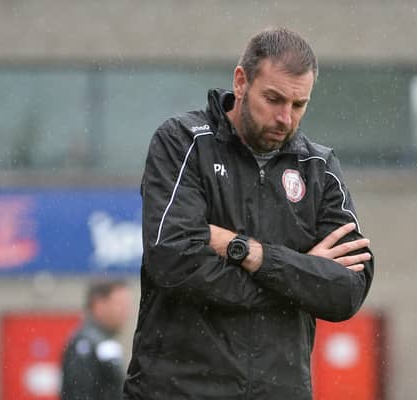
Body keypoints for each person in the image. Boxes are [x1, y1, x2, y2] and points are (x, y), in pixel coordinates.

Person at [123, 27, 374, 399]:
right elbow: (174, 261)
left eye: (299, 105)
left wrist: (251, 253)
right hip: (177, 390)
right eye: (273, 99)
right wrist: (298, 279)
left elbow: (347, 292)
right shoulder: (182, 142)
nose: (285, 118)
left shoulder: (318, 166)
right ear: (241, 82)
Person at [60, 279, 132, 400]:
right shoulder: (85, 345)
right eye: (119, 304)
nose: (126, 312)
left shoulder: (103, 342)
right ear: (98, 304)